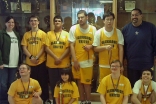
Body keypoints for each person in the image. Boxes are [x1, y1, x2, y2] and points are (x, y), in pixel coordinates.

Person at [122, 8, 156, 87]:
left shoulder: (151, 27)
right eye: (132, 15)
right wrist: (124, 58)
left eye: (136, 15)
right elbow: (123, 46)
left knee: (148, 87)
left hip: (147, 63)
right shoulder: (126, 29)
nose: (134, 17)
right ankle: (134, 100)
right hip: (132, 64)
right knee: (134, 87)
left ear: (141, 16)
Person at [69, 10, 96, 104]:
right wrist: (75, 60)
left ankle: (88, 101)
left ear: (87, 17)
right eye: (79, 17)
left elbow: (96, 44)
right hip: (76, 60)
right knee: (79, 82)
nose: (80, 19)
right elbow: (71, 45)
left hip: (88, 61)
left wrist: (91, 46)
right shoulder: (73, 28)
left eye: (82, 17)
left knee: (87, 83)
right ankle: (82, 101)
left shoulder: (93, 29)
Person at [21, 15, 49, 103]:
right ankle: (32, 100)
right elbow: (24, 48)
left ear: (38, 22)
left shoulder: (43, 34)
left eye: (35, 20)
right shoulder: (26, 34)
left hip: (40, 62)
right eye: (31, 21)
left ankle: (45, 99)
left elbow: (44, 47)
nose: (33, 22)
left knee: (43, 82)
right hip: (30, 63)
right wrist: (31, 57)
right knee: (31, 83)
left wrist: (36, 57)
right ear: (29, 23)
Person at [45, 15, 70, 104]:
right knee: (54, 85)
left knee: (65, 85)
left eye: (59, 21)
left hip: (64, 64)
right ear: (53, 23)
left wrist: (60, 58)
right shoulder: (49, 34)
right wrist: (56, 58)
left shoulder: (66, 34)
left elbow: (68, 48)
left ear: (62, 23)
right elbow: (46, 48)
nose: (57, 22)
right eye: (55, 21)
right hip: (52, 64)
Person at [93, 12, 124, 83]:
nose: (109, 21)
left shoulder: (118, 32)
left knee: (115, 84)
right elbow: (95, 49)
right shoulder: (99, 32)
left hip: (115, 65)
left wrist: (120, 64)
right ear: (104, 21)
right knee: (104, 85)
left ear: (113, 20)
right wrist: (105, 47)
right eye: (107, 19)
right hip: (103, 64)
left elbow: (121, 49)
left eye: (111, 19)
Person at [0, 16, 22, 104]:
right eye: (9, 22)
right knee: (3, 84)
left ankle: (11, 101)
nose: (11, 24)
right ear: (5, 23)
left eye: (12, 22)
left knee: (12, 84)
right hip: (4, 64)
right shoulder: (2, 34)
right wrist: (0, 62)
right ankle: (3, 101)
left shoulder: (16, 34)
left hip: (14, 64)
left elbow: (19, 49)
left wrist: (20, 63)